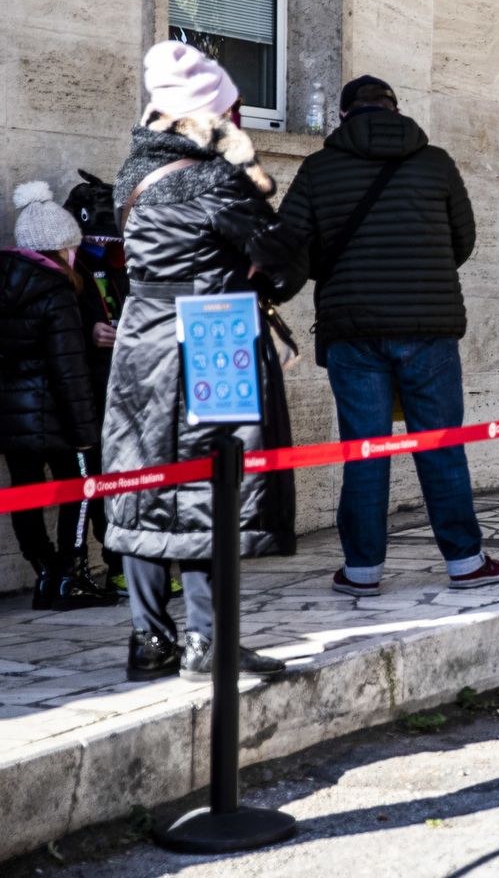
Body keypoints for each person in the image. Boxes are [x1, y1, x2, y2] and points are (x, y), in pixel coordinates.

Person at [106, 41, 306, 682]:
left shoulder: (132, 176)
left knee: (143, 484)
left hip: (141, 337)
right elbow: (281, 264)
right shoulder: (220, 180)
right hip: (212, 331)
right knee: (208, 484)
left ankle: (149, 641)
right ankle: (207, 643)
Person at [277, 74, 499, 596]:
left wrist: (336, 271)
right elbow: (462, 240)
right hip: (429, 325)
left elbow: (290, 244)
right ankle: (465, 562)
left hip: (352, 326)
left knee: (364, 449)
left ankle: (362, 571)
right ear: (396, 110)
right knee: (440, 444)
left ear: (342, 116)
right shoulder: (436, 162)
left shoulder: (319, 168)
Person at [0, 183, 108, 610]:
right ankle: (70, 576)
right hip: (57, 419)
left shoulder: (6, 282)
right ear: (62, 249)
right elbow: (68, 368)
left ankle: (45, 572)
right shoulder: (56, 290)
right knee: (78, 490)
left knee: (24, 493)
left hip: (10, 419)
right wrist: (85, 432)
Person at [61, 169, 131, 594]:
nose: (104, 247)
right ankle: (99, 566)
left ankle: (131, 564)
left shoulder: (124, 265)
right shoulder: (67, 273)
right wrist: (90, 334)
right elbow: (55, 334)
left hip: (127, 389)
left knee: (128, 480)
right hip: (88, 393)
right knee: (99, 481)